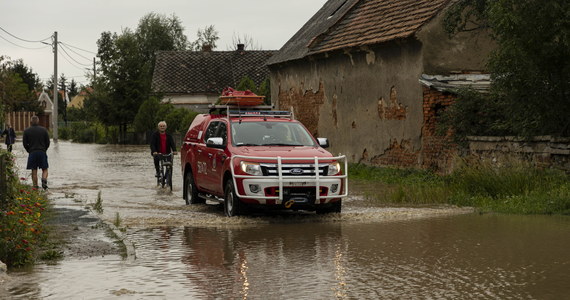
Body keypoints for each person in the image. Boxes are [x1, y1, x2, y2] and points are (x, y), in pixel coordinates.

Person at [22, 116, 50, 189]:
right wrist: (44, 149)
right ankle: (44, 179)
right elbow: (48, 142)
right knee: (45, 169)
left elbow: (24, 143)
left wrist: (29, 150)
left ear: (31, 122)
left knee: (34, 171)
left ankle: (35, 187)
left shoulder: (26, 131)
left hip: (32, 152)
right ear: (38, 121)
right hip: (42, 152)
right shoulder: (44, 130)